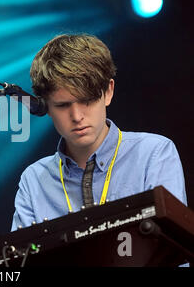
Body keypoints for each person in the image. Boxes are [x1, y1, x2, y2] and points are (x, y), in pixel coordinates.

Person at [11, 34, 187, 231]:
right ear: (44, 107)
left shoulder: (153, 153)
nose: (77, 116)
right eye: (62, 105)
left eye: (87, 100)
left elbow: (175, 251)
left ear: (108, 91)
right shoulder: (34, 179)